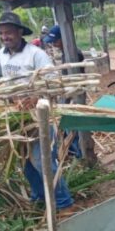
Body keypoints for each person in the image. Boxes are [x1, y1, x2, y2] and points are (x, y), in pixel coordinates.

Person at [0, 12, 74, 211]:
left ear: (19, 32)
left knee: (43, 161)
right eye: (1, 33)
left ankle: (63, 202)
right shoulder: (1, 54)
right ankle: (39, 196)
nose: (4, 37)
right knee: (25, 161)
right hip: (15, 115)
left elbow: (53, 80)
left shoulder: (36, 54)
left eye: (8, 32)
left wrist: (35, 98)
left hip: (37, 115)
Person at [42, 24, 83, 158]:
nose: (54, 44)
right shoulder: (66, 53)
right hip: (67, 92)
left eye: (55, 41)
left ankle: (78, 153)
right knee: (66, 123)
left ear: (63, 39)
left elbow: (74, 79)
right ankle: (72, 151)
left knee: (72, 123)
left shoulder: (74, 54)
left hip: (74, 94)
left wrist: (66, 98)